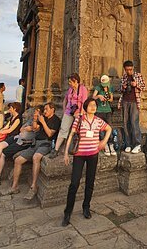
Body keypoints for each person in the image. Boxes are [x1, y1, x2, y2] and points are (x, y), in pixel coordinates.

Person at [62, 98, 112, 226]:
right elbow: (71, 135)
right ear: (85, 107)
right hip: (79, 155)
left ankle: (86, 207)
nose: (93, 107)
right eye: (90, 105)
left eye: (94, 105)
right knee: (74, 183)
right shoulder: (79, 120)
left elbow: (109, 129)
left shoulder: (98, 121)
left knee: (90, 182)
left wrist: (104, 141)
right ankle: (68, 212)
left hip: (93, 155)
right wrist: (66, 153)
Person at [6, 103, 61, 200]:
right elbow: (35, 127)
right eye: (44, 109)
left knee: (36, 157)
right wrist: (36, 119)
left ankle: (34, 186)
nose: (44, 111)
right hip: (36, 143)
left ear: (52, 109)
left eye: (46, 109)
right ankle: (14, 187)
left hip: (46, 143)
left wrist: (43, 122)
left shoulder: (56, 120)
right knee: (18, 160)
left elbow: (49, 134)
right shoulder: (43, 117)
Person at [48, 73, 88, 158]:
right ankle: (56, 149)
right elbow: (65, 100)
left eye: (70, 82)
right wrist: (64, 110)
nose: (69, 83)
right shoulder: (70, 89)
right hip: (69, 112)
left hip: (79, 112)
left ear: (76, 81)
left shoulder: (83, 89)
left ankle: (78, 149)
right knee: (63, 129)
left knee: (78, 132)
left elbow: (85, 102)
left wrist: (81, 113)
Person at [118, 60, 145, 154]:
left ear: (133, 68)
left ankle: (137, 144)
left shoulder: (138, 75)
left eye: (130, 69)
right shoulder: (124, 77)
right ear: (124, 70)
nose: (129, 71)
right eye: (127, 70)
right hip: (125, 101)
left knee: (134, 123)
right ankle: (128, 144)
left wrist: (136, 84)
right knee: (125, 123)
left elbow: (143, 86)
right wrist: (123, 87)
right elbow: (120, 89)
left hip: (134, 101)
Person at [92, 75, 115, 155]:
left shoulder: (110, 87)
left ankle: (111, 144)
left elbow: (112, 99)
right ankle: (104, 144)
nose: (104, 86)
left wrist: (107, 98)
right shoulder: (98, 87)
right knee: (100, 129)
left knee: (109, 127)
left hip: (107, 110)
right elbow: (93, 97)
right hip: (99, 110)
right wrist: (99, 96)